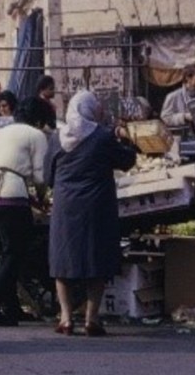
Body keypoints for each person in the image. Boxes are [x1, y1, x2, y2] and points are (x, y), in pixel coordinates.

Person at [46, 90, 136, 336]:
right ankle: (91, 319)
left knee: (63, 261)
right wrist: (126, 139)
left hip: (65, 207)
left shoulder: (56, 137)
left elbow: (47, 176)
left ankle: (65, 318)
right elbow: (127, 161)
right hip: (97, 207)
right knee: (97, 260)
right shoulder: (101, 136)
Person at [0, 97, 48, 326]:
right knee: (12, 254)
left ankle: (11, 308)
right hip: (12, 195)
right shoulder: (36, 135)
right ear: (38, 119)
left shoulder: (1, 133)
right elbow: (40, 176)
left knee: (2, 254)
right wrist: (41, 197)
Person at [160, 64, 195, 130]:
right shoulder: (173, 96)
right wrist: (184, 117)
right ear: (188, 78)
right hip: (179, 137)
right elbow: (165, 118)